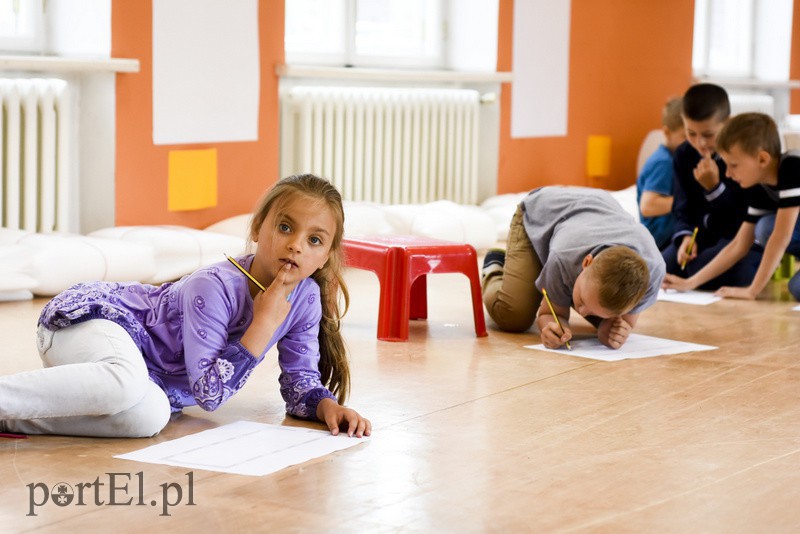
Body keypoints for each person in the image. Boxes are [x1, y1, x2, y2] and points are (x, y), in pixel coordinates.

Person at [0, 174, 371, 439]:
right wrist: (261, 327)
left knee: (149, 417)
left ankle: (12, 417)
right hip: (94, 322)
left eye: (315, 239)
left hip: (144, 378)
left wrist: (327, 407)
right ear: (258, 229)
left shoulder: (305, 300)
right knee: (126, 382)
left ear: (326, 256)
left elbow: (298, 382)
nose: (297, 246)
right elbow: (209, 394)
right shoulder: (213, 287)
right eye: (286, 227)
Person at [482, 186, 666, 350]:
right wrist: (549, 325)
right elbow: (548, 314)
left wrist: (609, 330)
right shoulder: (563, 256)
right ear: (586, 262)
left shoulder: (652, 274)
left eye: (589, 311)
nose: (582, 312)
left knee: (598, 312)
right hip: (540, 213)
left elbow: (624, 323)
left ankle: (552, 282)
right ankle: (495, 264)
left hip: (590, 212)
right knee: (513, 317)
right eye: (581, 300)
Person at [663, 113, 800, 300]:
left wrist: (752, 290)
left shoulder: (792, 168)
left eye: (733, 165)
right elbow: (739, 244)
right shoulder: (760, 187)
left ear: (762, 159)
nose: (727, 174)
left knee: (767, 227)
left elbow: (781, 236)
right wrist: (690, 282)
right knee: (797, 288)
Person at [664, 83, 762, 289]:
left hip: (739, 238)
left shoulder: (744, 154)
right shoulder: (683, 154)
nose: (700, 143)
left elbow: (741, 219)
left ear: (727, 123)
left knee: (714, 272)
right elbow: (682, 207)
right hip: (702, 235)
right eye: (691, 133)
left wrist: (714, 189)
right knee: (661, 269)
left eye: (708, 135)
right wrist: (686, 238)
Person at [636, 96, 686, 249]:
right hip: (660, 240)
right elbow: (648, 205)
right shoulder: (663, 162)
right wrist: (688, 202)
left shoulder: (676, 159)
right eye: (685, 137)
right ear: (667, 132)